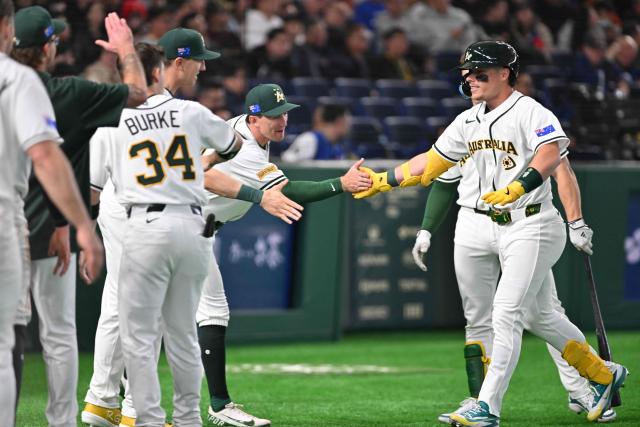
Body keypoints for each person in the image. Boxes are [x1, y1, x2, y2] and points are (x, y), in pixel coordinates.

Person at [353, 40, 628, 425]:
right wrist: (383, 180)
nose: (471, 79)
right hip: (480, 224)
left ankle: (488, 407)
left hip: (530, 223)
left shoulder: (531, 111)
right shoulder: (468, 119)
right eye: (467, 73)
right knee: (541, 317)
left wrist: (526, 191)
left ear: (505, 73)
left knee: (506, 313)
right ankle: (602, 374)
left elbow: (552, 155)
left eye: (480, 72)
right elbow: (430, 163)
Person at [82, 30, 303, 427]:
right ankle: (143, 411)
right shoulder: (189, 112)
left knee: (126, 307)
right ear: (172, 64)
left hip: (132, 210)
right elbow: (230, 149)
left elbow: (93, 188)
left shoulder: (113, 118)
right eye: (198, 60)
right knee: (172, 324)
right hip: (179, 221)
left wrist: (78, 228)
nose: (204, 67)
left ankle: (108, 401)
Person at [198, 83, 372, 426]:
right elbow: (287, 189)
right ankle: (215, 405)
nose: (283, 121)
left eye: (285, 112)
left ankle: (123, 390)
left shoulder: (240, 130)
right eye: (274, 115)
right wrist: (342, 184)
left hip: (192, 227)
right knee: (206, 311)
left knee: (164, 313)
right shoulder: (245, 148)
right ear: (253, 118)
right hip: (186, 227)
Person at [11, 7, 146, 427]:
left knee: (5, 339)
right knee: (58, 335)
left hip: (7, 223)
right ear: (48, 47)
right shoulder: (69, 92)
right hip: (52, 227)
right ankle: (62, 421)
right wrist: (125, 51)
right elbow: (138, 93)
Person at [412, 154, 616, 423]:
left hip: (526, 223)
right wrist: (425, 230)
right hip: (476, 222)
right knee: (511, 316)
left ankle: (582, 387)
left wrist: (575, 221)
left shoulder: (528, 118)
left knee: (541, 312)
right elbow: (441, 177)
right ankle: (480, 400)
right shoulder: (463, 128)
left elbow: (561, 167)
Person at [0, 1, 103, 425]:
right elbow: (45, 155)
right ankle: (60, 422)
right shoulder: (33, 84)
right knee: (43, 336)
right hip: (24, 222)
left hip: (26, 223)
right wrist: (79, 224)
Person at [281, 104, 351, 161]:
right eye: (346, 122)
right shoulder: (309, 139)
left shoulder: (337, 146)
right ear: (339, 121)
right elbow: (288, 163)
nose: (349, 126)